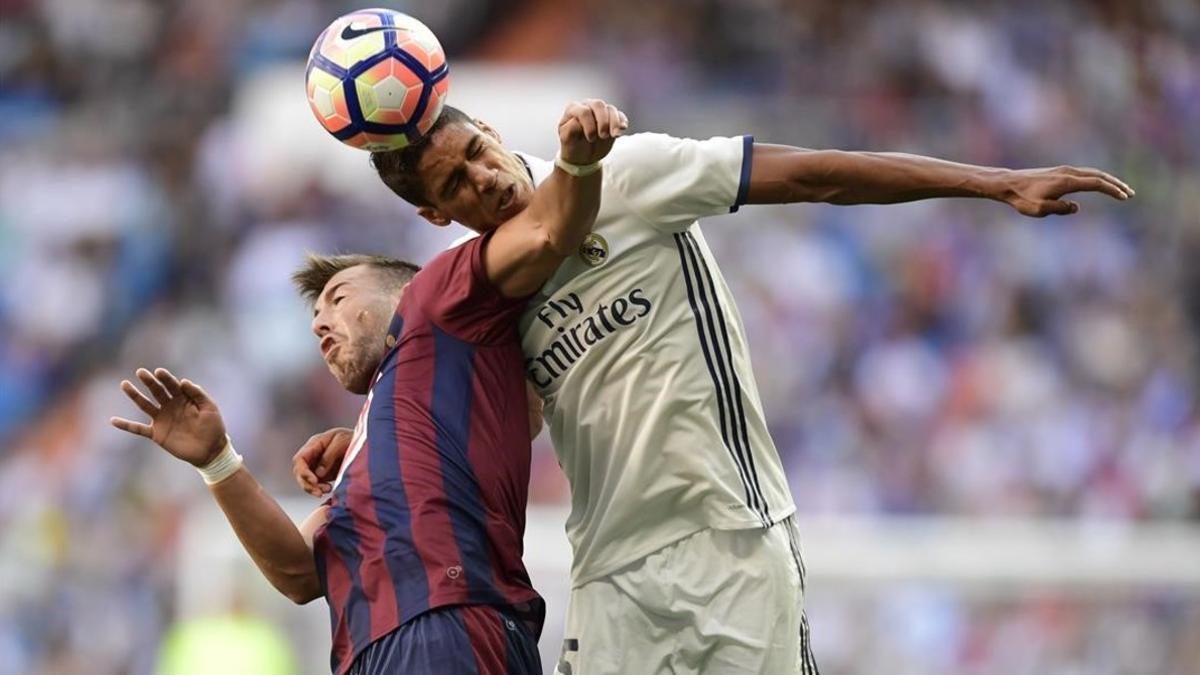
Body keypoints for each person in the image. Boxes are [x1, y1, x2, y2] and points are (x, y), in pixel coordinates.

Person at [293, 103, 1135, 674]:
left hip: (727, 534)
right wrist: (369, 446)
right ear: (436, 215)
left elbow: (811, 176)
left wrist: (993, 182)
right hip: (610, 567)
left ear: (486, 127)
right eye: (456, 186)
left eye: (476, 152)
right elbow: (499, 421)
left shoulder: (625, 172)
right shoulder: (494, 290)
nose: (483, 179)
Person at [110, 99, 630, 675]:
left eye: (339, 298)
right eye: (314, 320)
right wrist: (217, 461)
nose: (321, 324)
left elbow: (547, 228)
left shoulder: (438, 302)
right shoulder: (377, 441)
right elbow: (299, 575)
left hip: (446, 628)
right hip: (372, 653)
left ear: (401, 295)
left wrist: (577, 165)